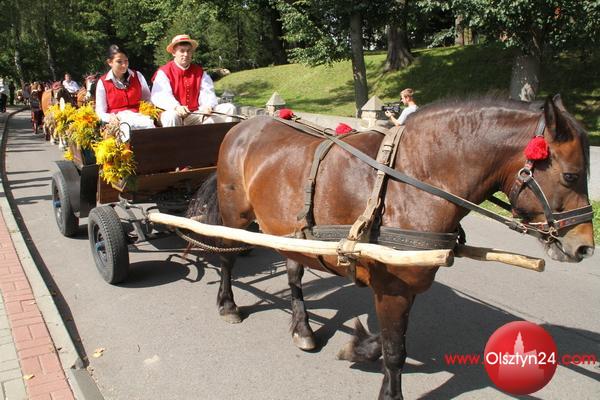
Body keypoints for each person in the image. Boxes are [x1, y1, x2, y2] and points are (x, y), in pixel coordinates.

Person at [151, 34, 236, 127]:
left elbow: (207, 92)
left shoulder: (200, 72)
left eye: (188, 51)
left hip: (195, 114)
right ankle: (173, 137)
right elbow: (161, 96)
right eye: (182, 51)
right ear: (174, 53)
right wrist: (176, 107)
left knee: (229, 108)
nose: (186, 54)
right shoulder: (164, 72)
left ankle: (214, 136)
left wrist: (207, 106)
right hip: (171, 113)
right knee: (172, 116)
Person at [95, 45, 154, 129]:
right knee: (126, 129)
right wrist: (110, 118)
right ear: (110, 62)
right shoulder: (103, 82)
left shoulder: (137, 76)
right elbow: (100, 112)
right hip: (117, 121)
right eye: (119, 62)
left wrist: (148, 111)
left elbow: (147, 99)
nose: (124, 65)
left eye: (126, 61)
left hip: (140, 117)